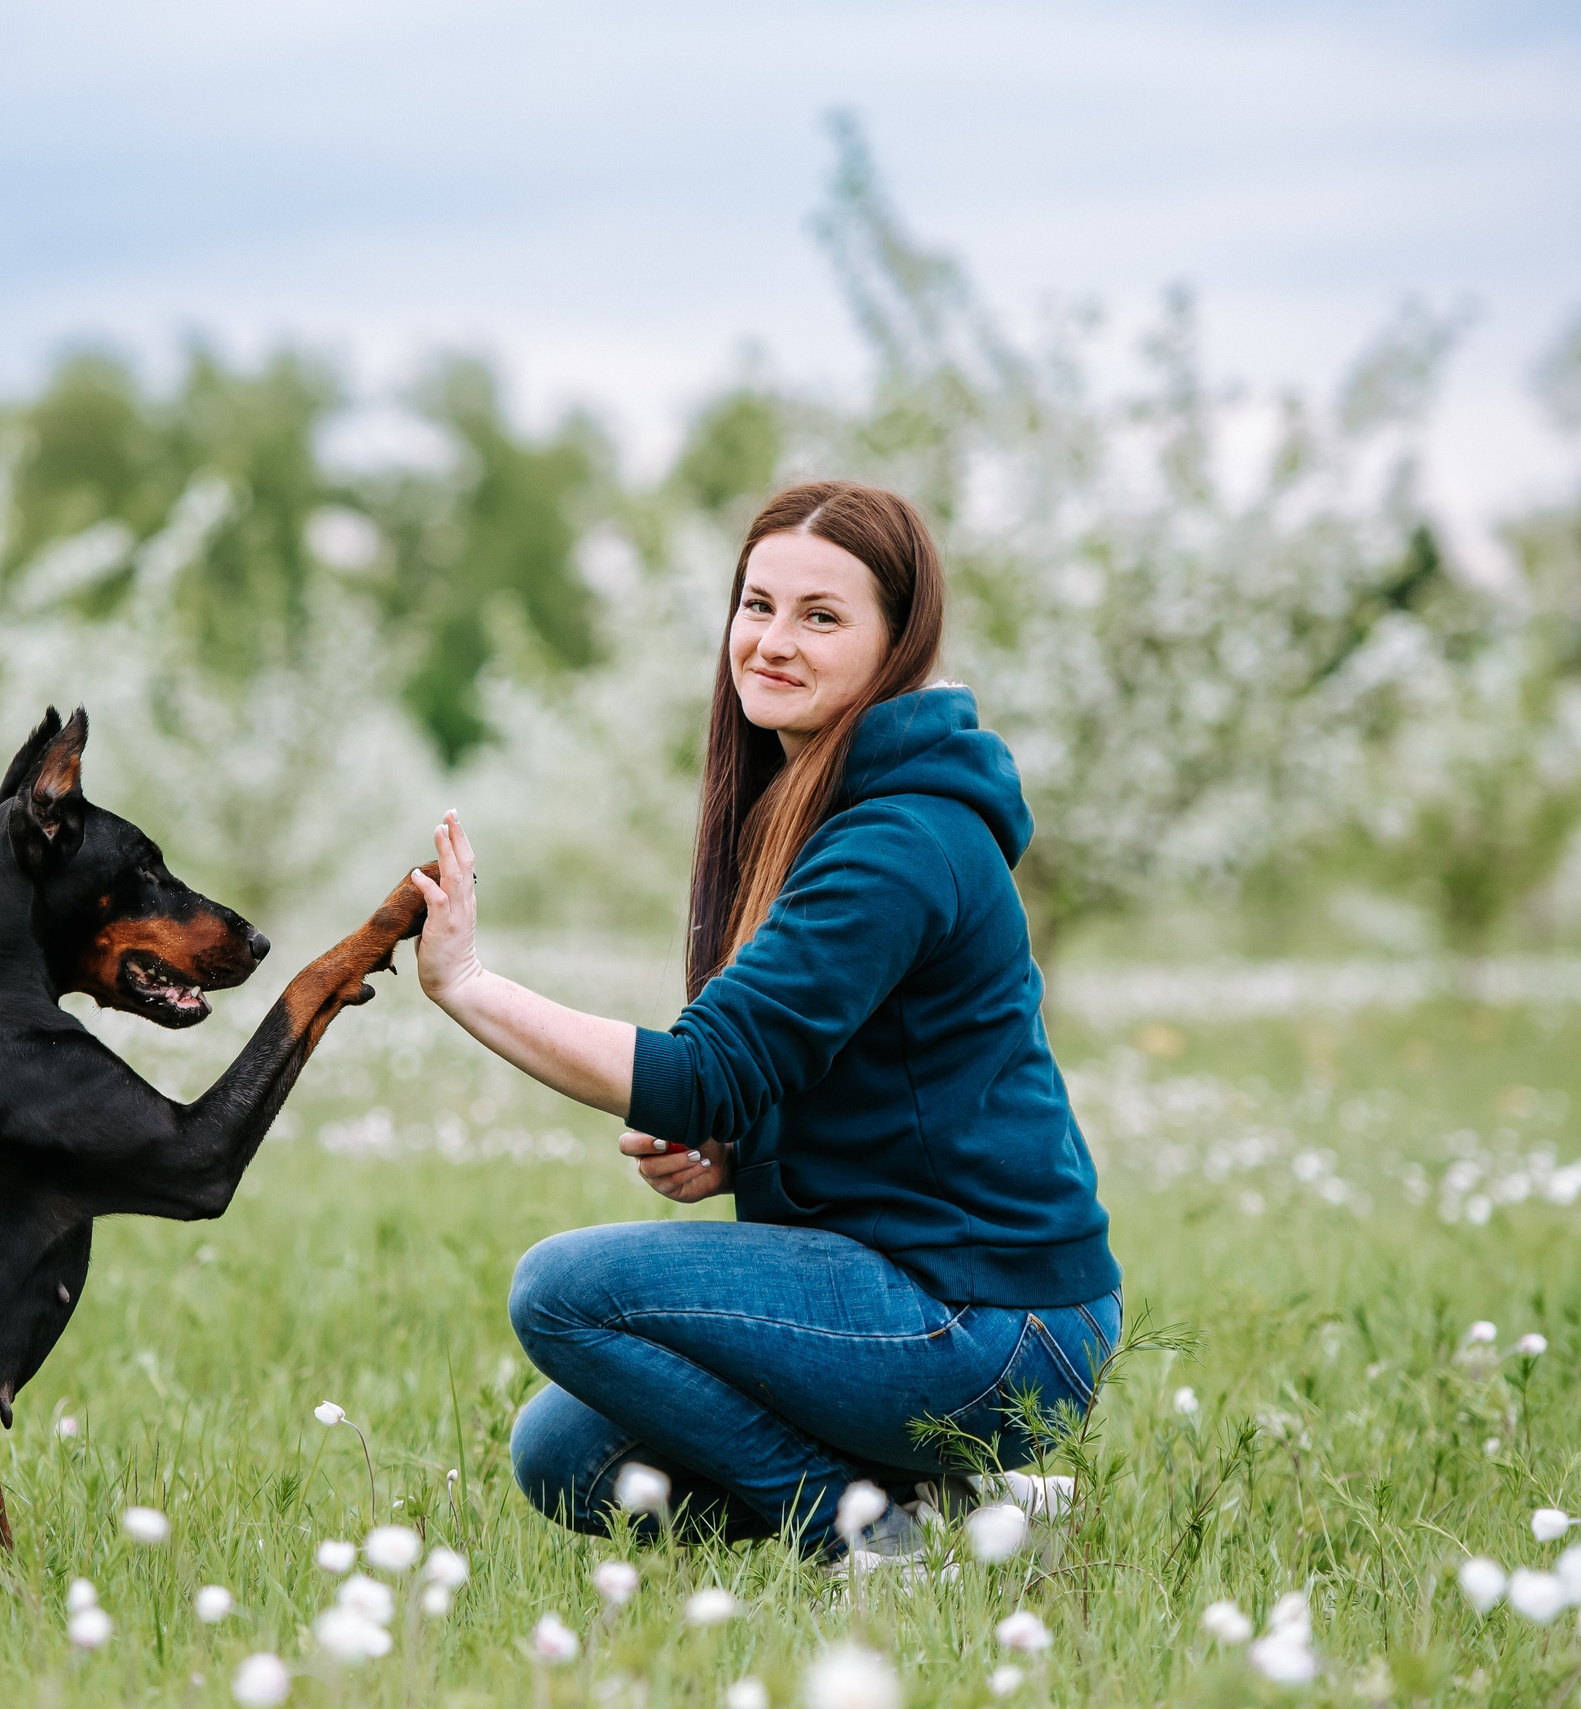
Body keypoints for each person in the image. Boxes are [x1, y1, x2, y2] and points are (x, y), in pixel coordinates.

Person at [406, 479, 1120, 1568]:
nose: (771, 642)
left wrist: (466, 982)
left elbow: (702, 1071)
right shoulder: (807, 811)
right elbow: (853, 1076)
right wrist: (743, 1149)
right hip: (922, 1295)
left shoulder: (895, 842)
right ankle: (966, 1497)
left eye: (820, 616)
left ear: (895, 644)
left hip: (993, 1326)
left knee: (562, 1289)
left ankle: (872, 1537)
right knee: (567, 1450)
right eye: (756, 605)